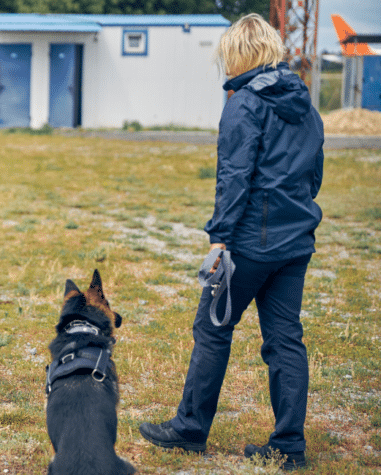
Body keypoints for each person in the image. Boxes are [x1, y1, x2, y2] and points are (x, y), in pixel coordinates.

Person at [139, 13, 324, 471]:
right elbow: (314, 173)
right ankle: (289, 446)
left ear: (240, 54)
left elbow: (234, 177)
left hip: (249, 244)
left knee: (212, 330)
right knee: (285, 340)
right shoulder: (305, 103)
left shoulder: (244, 103)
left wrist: (220, 239)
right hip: (295, 242)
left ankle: (189, 429)